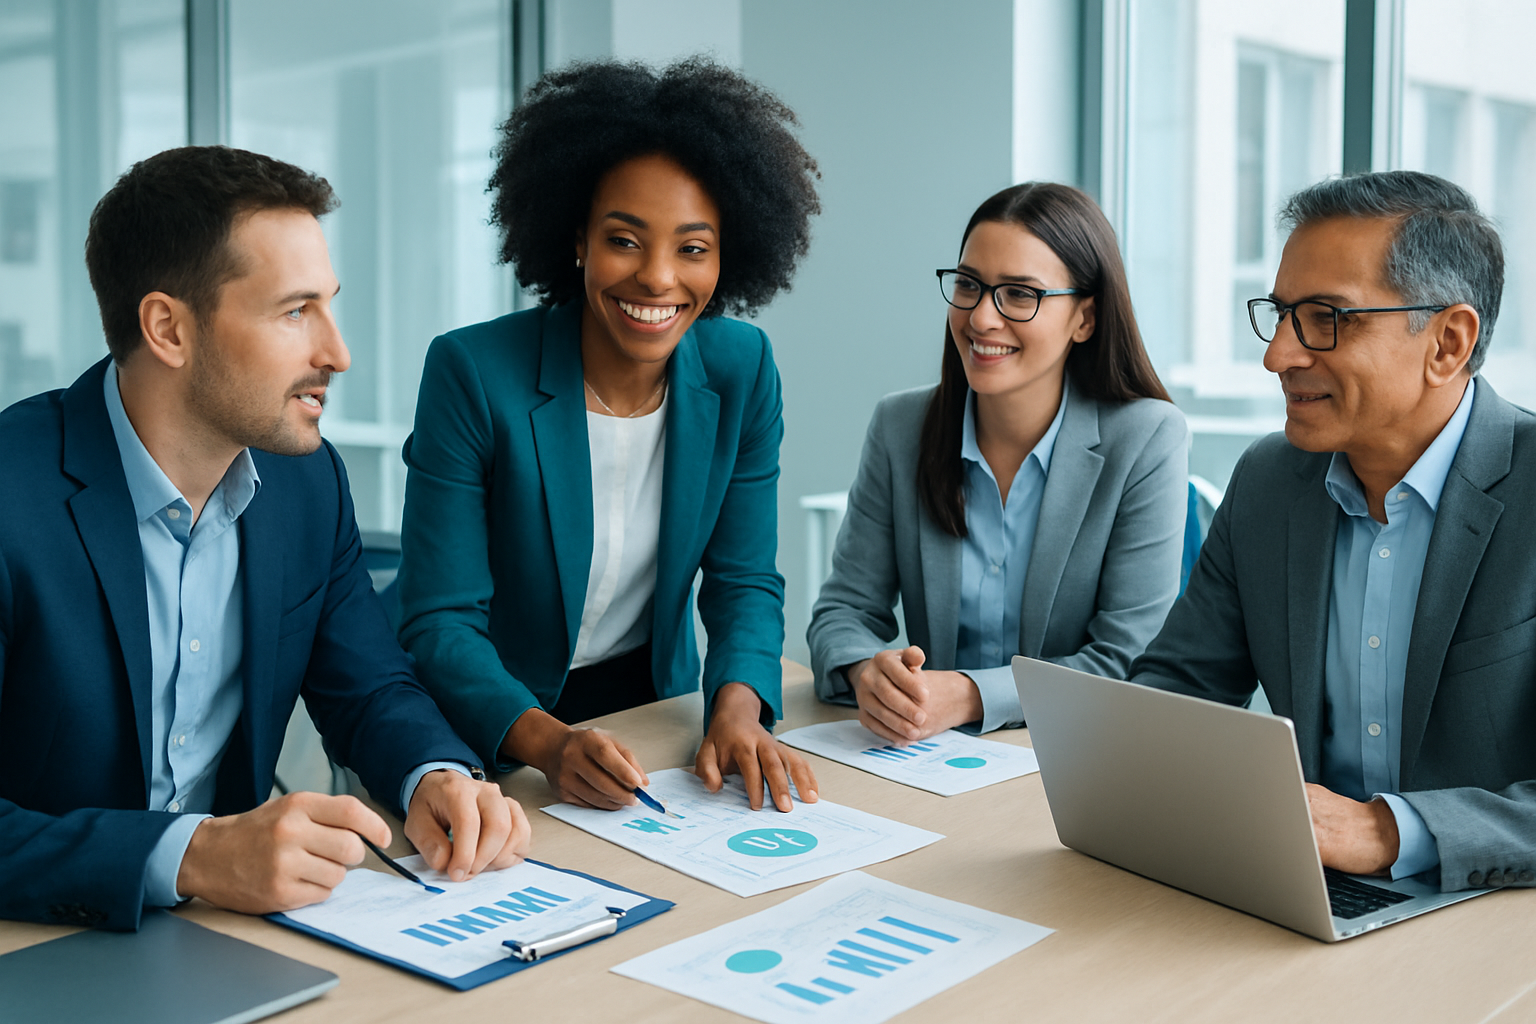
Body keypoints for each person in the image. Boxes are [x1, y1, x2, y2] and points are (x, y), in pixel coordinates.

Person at [0, 146, 531, 931]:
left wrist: (434, 775)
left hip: (226, 936)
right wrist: (192, 855)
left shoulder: (307, 486)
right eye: (294, 311)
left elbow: (371, 688)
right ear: (168, 329)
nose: (337, 354)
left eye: (328, 305)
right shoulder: (15, 498)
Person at [398, 58, 822, 814]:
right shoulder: (471, 372)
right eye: (625, 240)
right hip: (483, 717)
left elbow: (744, 579)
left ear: (728, 256)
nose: (659, 278)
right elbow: (439, 621)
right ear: (577, 241)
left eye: (693, 248)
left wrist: (736, 708)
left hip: (647, 707)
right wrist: (548, 741)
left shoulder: (741, 368)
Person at [1130, 170, 1535, 891]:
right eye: (1281, 314)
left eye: (1326, 318)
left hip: (1489, 915)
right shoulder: (1269, 482)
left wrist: (1385, 831)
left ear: (1448, 342)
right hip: (1309, 894)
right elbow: (1179, 686)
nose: (1278, 355)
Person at [808, 183, 1189, 741]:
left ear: (1084, 319)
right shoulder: (901, 427)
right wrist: (869, 672)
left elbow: (1127, 661)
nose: (982, 318)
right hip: (929, 761)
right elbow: (843, 611)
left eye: (1019, 294)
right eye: (969, 286)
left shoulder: (1148, 438)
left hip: (1073, 762)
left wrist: (966, 694)